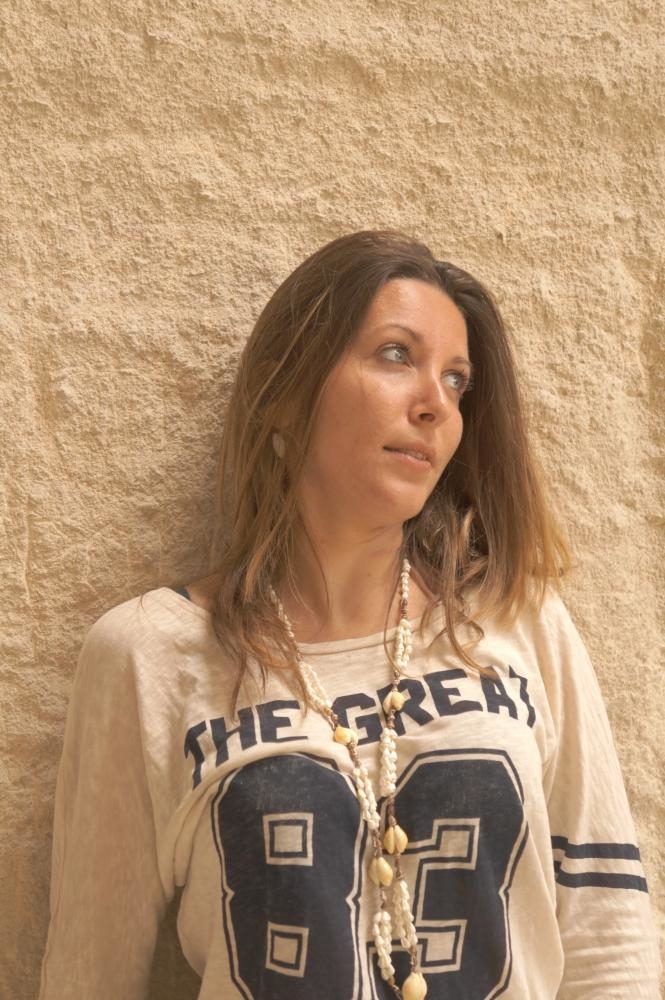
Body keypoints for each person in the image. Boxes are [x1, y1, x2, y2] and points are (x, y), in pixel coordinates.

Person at [39, 230, 660, 1000]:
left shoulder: (517, 619)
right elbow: (90, 975)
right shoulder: (149, 655)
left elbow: (608, 947)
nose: (436, 404)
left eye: (457, 380)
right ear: (283, 396)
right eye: (396, 355)